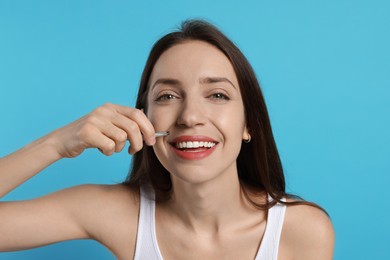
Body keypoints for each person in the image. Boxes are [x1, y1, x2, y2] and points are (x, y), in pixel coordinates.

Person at [0, 20, 334, 259]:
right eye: (167, 96)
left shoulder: (302, 230)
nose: (189, 116)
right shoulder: (116, 213)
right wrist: (57, 144)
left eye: (217, 95)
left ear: (250, 124)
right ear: (142, 116)